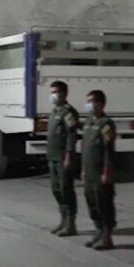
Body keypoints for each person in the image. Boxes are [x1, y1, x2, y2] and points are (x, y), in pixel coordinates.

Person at [81, 89, 117, 250]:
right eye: (87, 101)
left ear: (100, 104)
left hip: (100, 171)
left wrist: (107, 170)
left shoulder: (106, 123)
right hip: (89, 170)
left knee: (104, 203)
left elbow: (109, 149)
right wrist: (83, 169)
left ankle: (107, 237)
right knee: (92, 203)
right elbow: (85, 147)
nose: (88, 105)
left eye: (91, 102)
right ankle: (98, 232)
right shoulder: (88, 122)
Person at [46, 80, 80, 237]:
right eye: (52, 92)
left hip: (63, 157)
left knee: (66, 189)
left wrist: (68, 155)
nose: (53, 95)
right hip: (52, 156)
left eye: (56, 92)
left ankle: (71, 224)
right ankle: (63, 220)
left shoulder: (68, 113)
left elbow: (72, 135)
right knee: (56, 189)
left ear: (64, 94)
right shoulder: (55, 111)